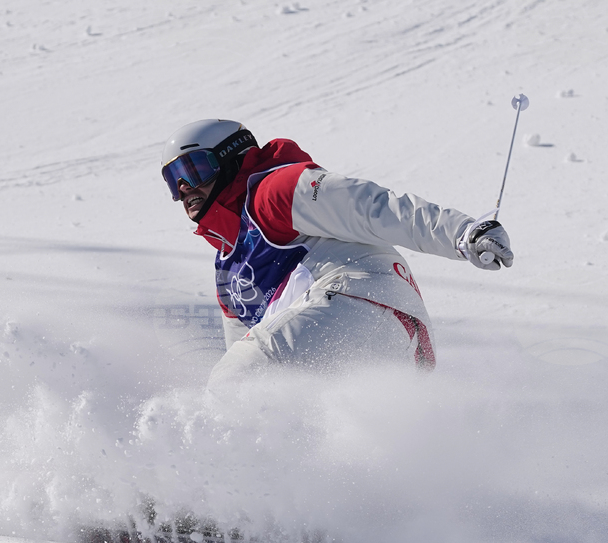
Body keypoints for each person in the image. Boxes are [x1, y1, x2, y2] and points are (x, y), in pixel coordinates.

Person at [159, 119, 513, 385]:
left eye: (194, 170)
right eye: (173, 180)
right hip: (397, 346)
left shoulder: (274, 191)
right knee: (284, 420)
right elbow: (244, 346)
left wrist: (463, 232)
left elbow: (373, 207)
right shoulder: (229, 267)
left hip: (361, 299)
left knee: (232, 385)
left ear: (231, 157)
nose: (185, 188)